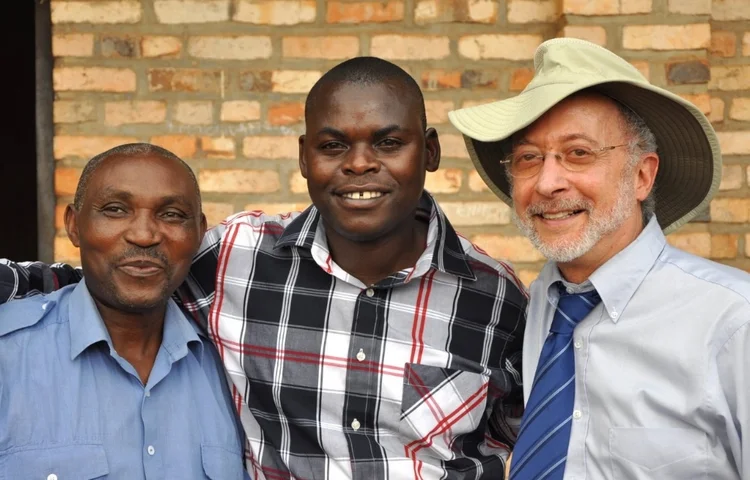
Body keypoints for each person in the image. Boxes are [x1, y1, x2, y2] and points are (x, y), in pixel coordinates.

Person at [0, 57, 528, 479]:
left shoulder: (496, 297)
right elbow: (129, 270)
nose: (359, 163)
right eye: (333, 145)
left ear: (429, 151)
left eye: (389, 142)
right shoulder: (239, 258)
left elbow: (537, 442)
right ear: (304, 158)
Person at [449, 37, 750, 479]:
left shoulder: (733, 321)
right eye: (529, 158)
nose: (548, 183)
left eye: (579, 153)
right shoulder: (538, 307)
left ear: (642, 175)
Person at [0, 143, 248, 479]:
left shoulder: (233, 366)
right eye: (115, 210)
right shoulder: (9, 355)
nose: (144, 236)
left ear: (199, 233)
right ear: (74, 225)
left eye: (172, 214)